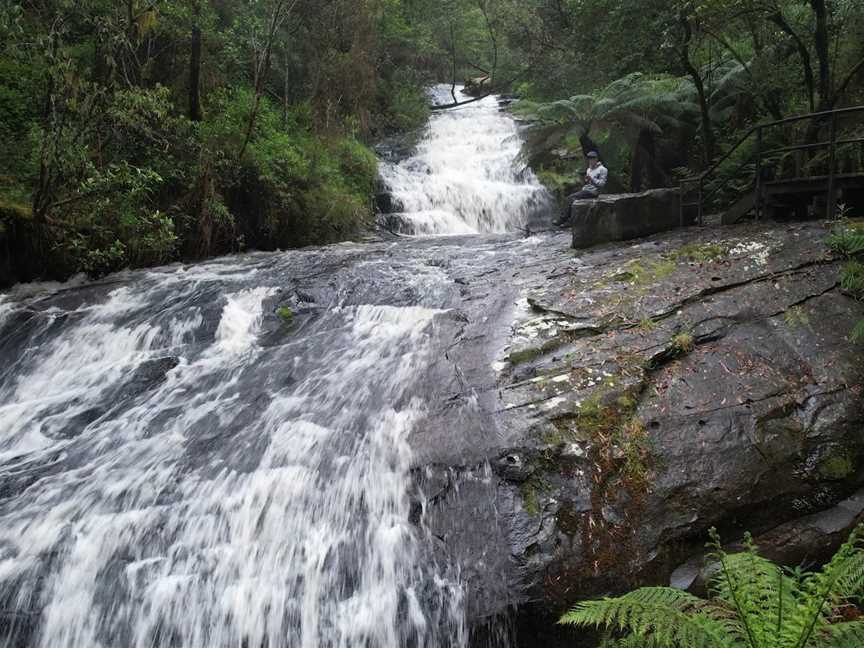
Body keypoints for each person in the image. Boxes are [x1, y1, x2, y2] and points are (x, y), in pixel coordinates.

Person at [556, 151, 608, 226]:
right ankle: (569, 221)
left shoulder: (603, 169)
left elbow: (602, 184)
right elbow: (588, 183)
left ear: (597, 159)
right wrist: (586, 180)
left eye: (593, 158)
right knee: (572, 199)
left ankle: (563, 219)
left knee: (570, 198)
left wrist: (592, 179)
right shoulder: (589, 169)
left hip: (593, 192)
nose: (591, 160)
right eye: (589, 158)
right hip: (586, 190)